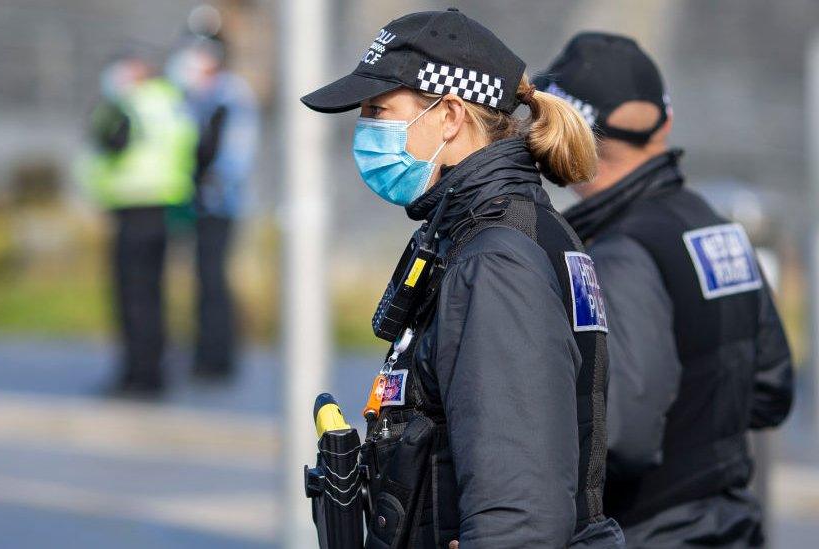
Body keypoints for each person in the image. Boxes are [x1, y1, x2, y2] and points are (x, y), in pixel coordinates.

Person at [301, 9, 624, 548]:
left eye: (380, 111)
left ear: (449, 115)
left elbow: (517, 516)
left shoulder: (496, 262)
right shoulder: (483, 233)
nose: (366, 130)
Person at [536, 33, 794, 547]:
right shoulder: (715, 226)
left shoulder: (616, 255)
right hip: (733, 522)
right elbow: (771, 392)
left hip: (653, 529)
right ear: (665, 122)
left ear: (574, 130)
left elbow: (621, 438)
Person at [83, 51, 198, 398]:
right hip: (164, 207)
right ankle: (154, 371)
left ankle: (136, 375)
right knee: (152, 295)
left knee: (132, 298)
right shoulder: (173, 103)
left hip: (133, 207)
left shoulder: (131, 102)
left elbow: (111, 141)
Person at [168, 12, 259, 382]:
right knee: (202, 278)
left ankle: (217, 358)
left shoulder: (231, 93)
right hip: (197, 201)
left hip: (221, 202)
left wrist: (212, 182)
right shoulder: (193, 94)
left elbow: (235, 154)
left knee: (214, 278)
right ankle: (204, 353)